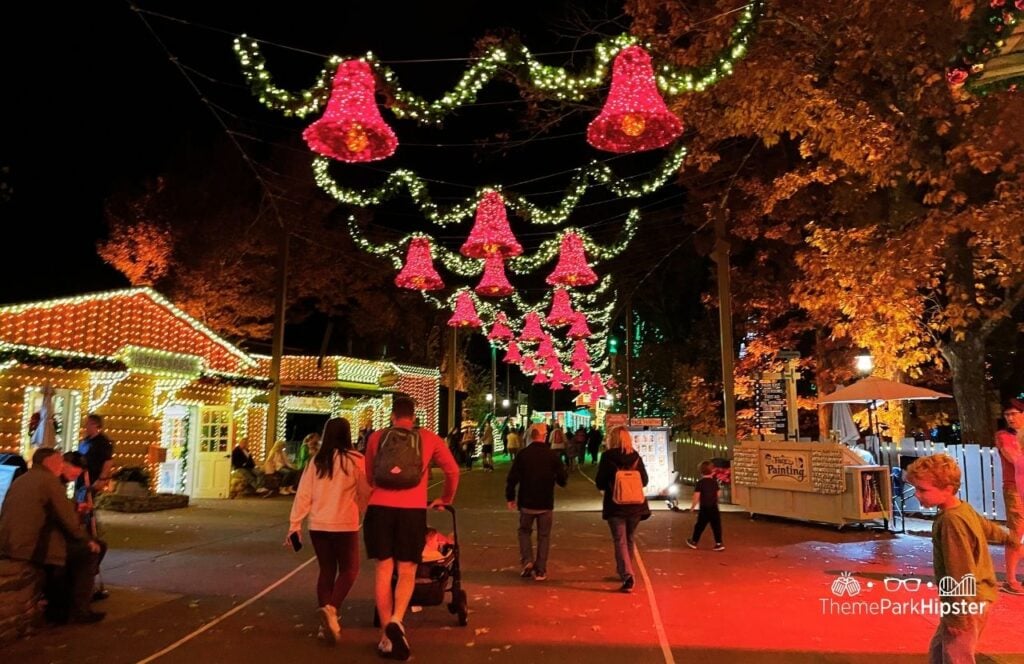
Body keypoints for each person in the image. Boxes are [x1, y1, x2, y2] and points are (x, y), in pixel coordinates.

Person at [363, 395, 459, 661]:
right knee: (407, 570)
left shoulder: (376, 438)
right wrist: (445, 499)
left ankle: (386, 637)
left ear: (393, 417)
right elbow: (453, 471)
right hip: (412, 512)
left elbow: (369, 475)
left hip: (379, 509)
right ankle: (396, 620)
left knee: (384, 569)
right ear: (414, 417)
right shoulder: (428, 439)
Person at [904, 454, 1013, 663]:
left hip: (968, 601)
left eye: (923, 490)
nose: (917, 495)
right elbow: (986, 527)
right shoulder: (962, 508)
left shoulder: (950, 522)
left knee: (957, 655)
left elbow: (959, 571)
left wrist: (958, 614)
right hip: (972, 598)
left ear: (947, 489)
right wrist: (1008, 539)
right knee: (940, 648)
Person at [287, 417, 370, 645]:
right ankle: (332, 610)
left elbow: (303, 494)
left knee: (326, 570)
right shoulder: (356, 460)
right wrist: (366, 511)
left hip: (318, 525)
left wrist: (295, 524)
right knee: (350, 569)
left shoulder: (316, 461)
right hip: (345, 524)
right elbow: (364, 492)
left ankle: (326, 623)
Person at [0, 448, 103, 624]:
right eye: (59, 462)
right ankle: (80, 609)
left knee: (69, 548)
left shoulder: (23, 478)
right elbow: (68, 520)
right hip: (29, 547)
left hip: (9, 543)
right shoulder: (49, 481)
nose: (61, 465)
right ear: (49, 463)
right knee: (88, 552)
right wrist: (87, 540)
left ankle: (67, 601)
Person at [505, 424, 567, 582]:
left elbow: (512, 478)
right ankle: (540, 570)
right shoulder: (552, 455)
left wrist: (510, 497)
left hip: (527, 501)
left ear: (531, 436)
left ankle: (527, 561)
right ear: (544, 436)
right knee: (544, 536)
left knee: (524, 531)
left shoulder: (523, 455)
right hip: (545, 502)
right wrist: (557, 479)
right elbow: (563, 478)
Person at [595, 427, 651, 592]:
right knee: (629, 538)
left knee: (619, 540)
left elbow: (600, 481)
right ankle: (625, 571)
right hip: (635, 505)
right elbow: (645, 480)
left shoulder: (607, 457)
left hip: (616, 504)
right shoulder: (635, 457)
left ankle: (627, 576)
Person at [995, 399, 1024, 594]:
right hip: (1015, 488)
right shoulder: (1004, 436)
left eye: (1014, 414)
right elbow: (1014, 459)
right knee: (1017, 531)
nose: (1010, 418)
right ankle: (1011, 580)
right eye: (1007, 415)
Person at [686, 460, 725, 551]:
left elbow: (696, 496)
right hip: (714, 507)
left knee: (700, 525)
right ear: (712, 471)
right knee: (716, 526)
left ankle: (694, 541)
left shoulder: (700, 483)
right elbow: (718, 493)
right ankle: (719, 543)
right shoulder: (714, 482)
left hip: (704, 507)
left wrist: (692, 507)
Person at [77, 414, 114, 498]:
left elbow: (108, 462)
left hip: (94, 478)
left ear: (95, 424)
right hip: (82, 478)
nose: (85, 426)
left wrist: (101, 479)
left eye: (88, 423)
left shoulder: (103, 442)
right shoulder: (85, 440)